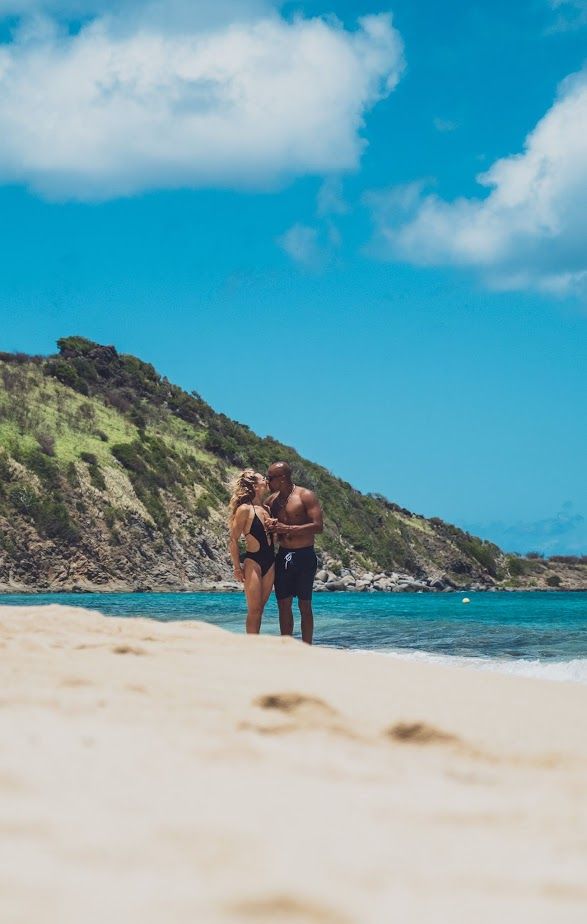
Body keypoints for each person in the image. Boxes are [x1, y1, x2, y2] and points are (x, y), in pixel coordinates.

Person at [265, 461, 323, 644]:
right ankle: (286, 648)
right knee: (283, 604)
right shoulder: (271, 501)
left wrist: (287, 528)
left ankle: (307, 647)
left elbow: (318, 526)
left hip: (304, 555)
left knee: (304, 604)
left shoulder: (305, 496)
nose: (267, 481)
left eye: (270, 478)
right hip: (283, 555)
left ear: (282, 478)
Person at [228, 470, 275, 634]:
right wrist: (236, 567)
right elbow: (233, 540)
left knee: (260, 610)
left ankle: (255, 643)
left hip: (271, 563)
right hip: (253, 562)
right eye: (263, 478)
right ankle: (251, 647)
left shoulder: (267, 509)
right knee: (254, 611)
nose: (267, 480)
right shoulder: (244, 510)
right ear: (255, 486)